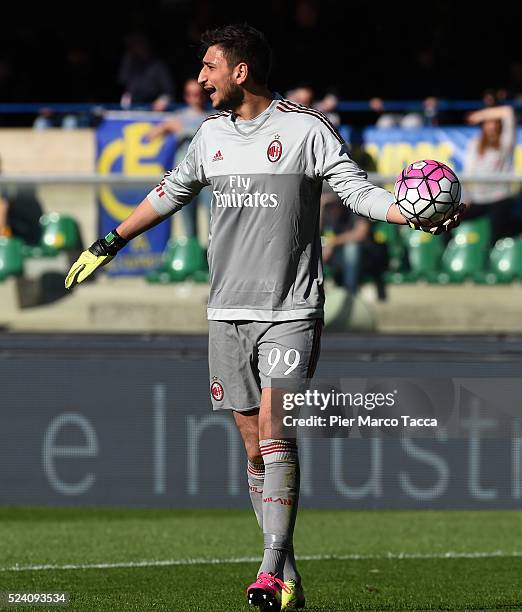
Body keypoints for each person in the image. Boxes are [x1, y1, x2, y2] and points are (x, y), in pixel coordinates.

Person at [65, 24, 465, 610]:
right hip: (226, 312)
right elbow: (169, 193)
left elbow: (356, 193)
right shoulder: (208, 138)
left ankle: (268, 570)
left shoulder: (305, 130)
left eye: (208, 68)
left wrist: (408, 213)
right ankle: (289, 577)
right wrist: (110, 241)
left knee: (277, 434)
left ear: (240, 72)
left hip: (290, 309)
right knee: (254, 448)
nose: (200, 78)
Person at [146, 79, 212, 240]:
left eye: (199, 93)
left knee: (213, 222)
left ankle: (211, 260)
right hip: (185, 177)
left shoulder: (213, 116)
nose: (196, 98)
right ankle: (193, 256)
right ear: (186, 96)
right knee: (188, 225)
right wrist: (166, 126)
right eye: (191, 94)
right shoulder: (179, 117)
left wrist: (184, 130)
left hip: (208, 176)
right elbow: (149, 136)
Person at [464, 105, 517, 243]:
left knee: (497, 235)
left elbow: (508, 111)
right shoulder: (475, 144)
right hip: (477, 199)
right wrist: (466, 196)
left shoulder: (506, 143)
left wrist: (480, 115)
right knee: (448, 220)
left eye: (495, 122)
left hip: (500, 198)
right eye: (488, 122)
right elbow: (468, 173)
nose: (492, 126)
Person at [119, 33, 175, 111]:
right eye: (133, 45)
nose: (136, 48)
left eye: (139, 44)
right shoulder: (130, 63)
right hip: (133, 108)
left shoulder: (158, 66)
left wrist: (163, 100)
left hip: (153, 109)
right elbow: (122, 81)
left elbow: (169, 91)